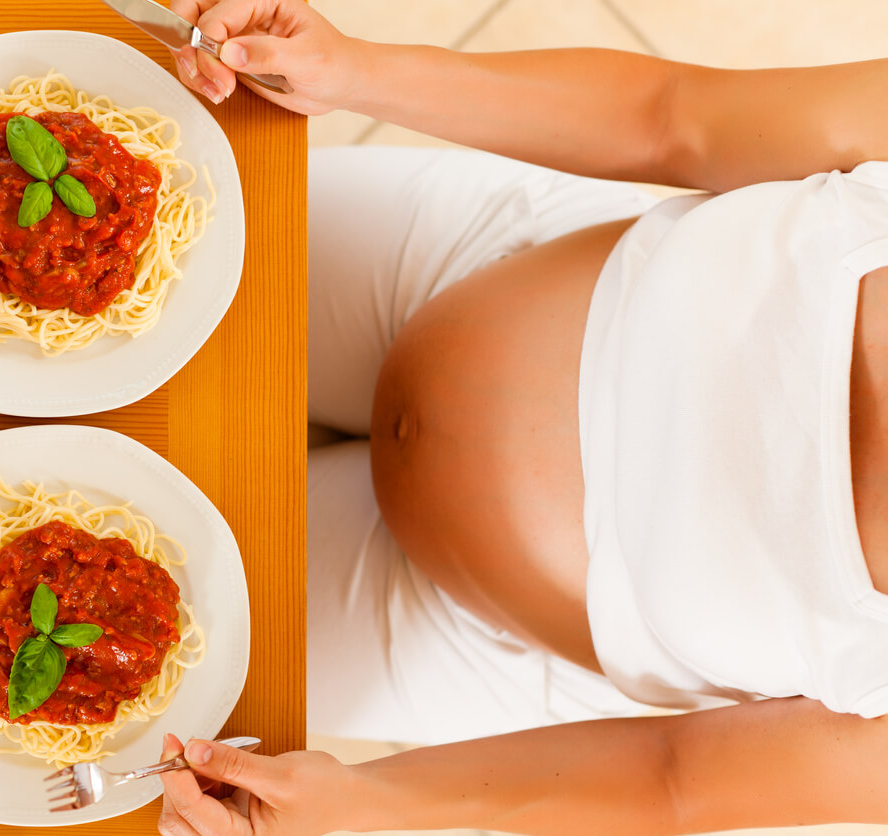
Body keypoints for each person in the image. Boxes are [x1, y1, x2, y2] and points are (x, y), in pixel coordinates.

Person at [156, 1, 888, 833]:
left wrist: (364, 801)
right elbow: (673, 118)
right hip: (454, 262)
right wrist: (357, 71)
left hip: (452, 626)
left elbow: (676, 779)